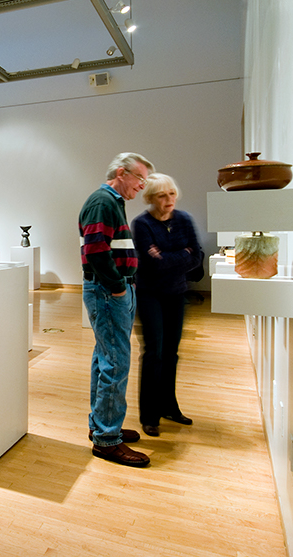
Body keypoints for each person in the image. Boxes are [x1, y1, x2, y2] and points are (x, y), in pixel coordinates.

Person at [80, 152, 154, 467]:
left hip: (113, 290)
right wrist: (118, 286)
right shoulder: (103, 202)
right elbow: (96, 250)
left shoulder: (113, 202)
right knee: (115, 363)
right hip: (108, 291)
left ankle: (103, 425)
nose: (142, 185)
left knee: (106, 359)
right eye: (139, 178)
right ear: (121, 172)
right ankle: (107, 440)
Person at [131, 173, 202, 437]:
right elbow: (152, 264)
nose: (169, 199)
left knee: (172, 352)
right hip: (150, 295)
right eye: (162, 195)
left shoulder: (183, 219)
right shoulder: (142, 224)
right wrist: (181, 255)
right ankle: (149, 415)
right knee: (154, 353)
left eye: (171, 193)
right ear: (150, 198)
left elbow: (197, 256)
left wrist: (169, 257)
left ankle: (169, 407)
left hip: (176, 293)